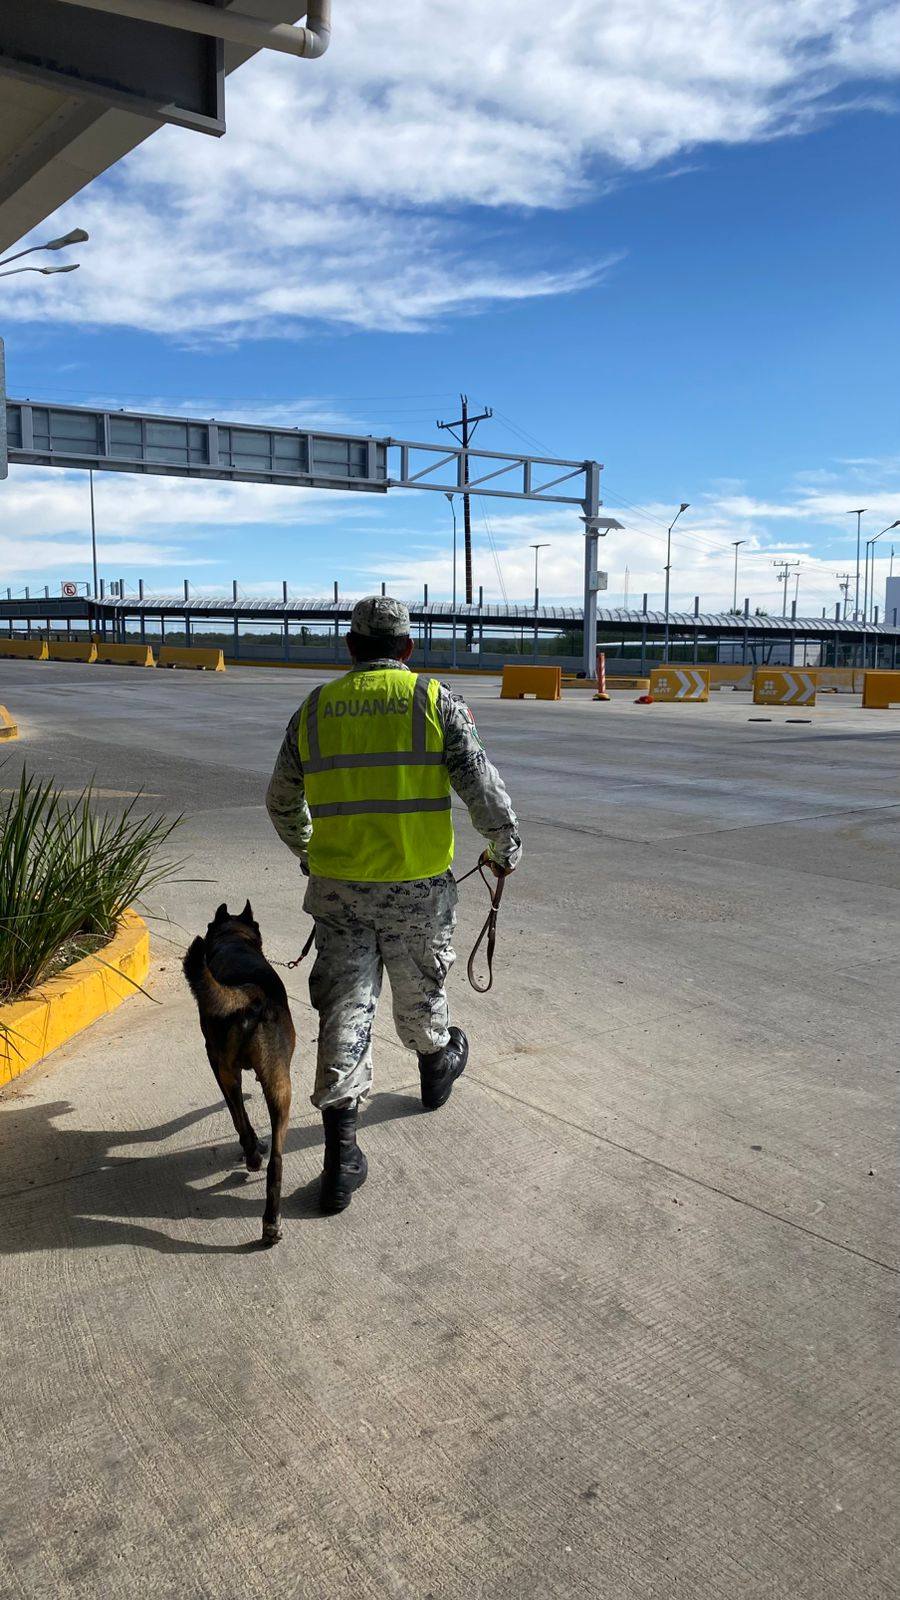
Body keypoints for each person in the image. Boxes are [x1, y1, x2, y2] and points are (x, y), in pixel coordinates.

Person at [266, 595, 521, 1213]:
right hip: (417, 889)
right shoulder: (435, 702)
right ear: (407, 647)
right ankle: (436, 1066)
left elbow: (280, 801)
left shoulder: (316, 709)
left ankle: (342, 1156)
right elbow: (479, 786)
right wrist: (504, 844)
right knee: (420, 992)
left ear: (351, 647)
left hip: (338, 891)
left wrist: (310, 851)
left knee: (345, 1010)